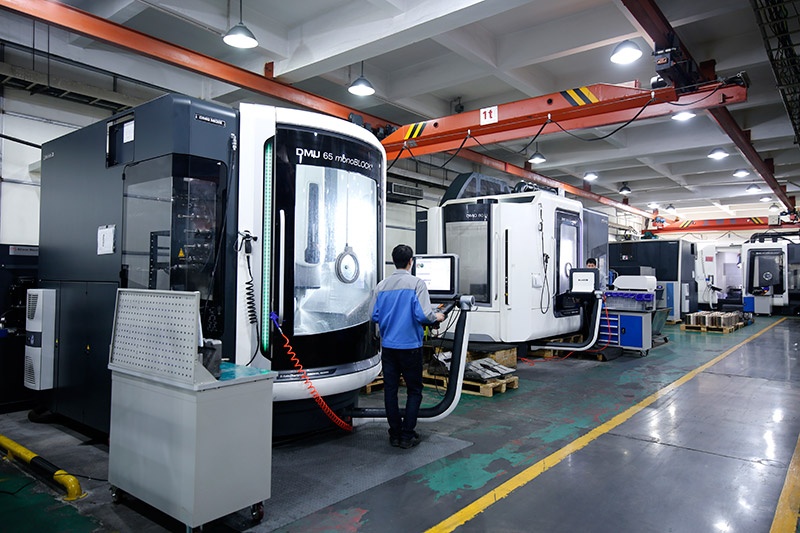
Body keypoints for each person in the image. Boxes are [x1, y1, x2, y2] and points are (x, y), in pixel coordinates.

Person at [370, 244, 445, 449]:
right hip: (410, 347)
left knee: (390, 391)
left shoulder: (381, 286)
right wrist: (437, 316)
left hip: (389, 347)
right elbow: (423, 315)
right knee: (414, 390)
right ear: (411, 262)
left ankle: (394, 434)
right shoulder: (417, 284)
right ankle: (407, 435)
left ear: (394, 261)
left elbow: (373, 315)